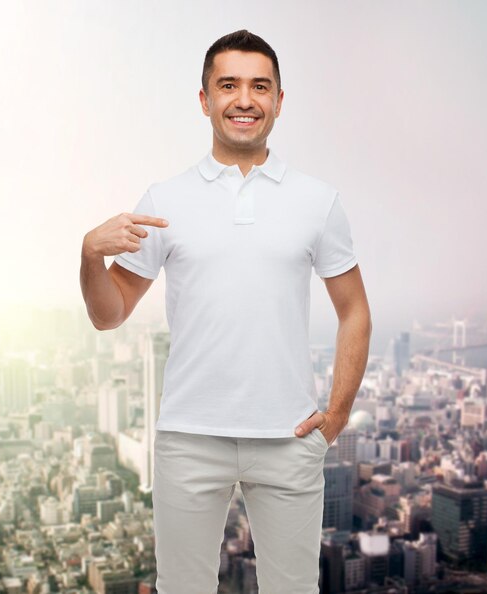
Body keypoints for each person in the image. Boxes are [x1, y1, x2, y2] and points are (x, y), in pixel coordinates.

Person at [80, 29, 371, 594]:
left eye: (259, 86)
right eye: (228, 85)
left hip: (288, 437)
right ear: (204, 99)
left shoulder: (318, 201)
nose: (244, 99)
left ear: (280, 101)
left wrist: (335, 417)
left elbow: (354, 309)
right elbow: (108, 313)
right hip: (189, 437)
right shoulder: (164, 200)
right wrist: (90, 254)